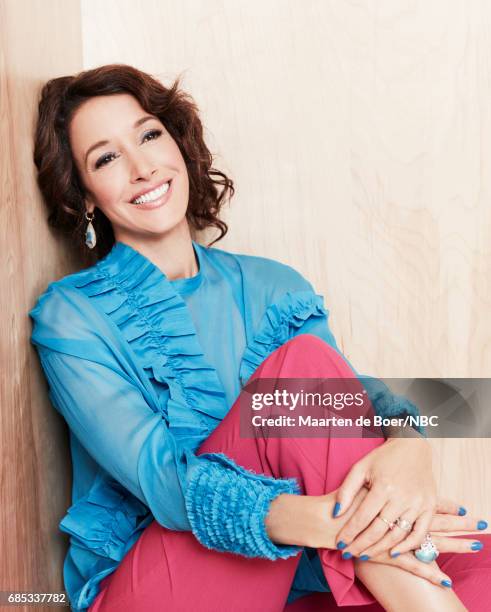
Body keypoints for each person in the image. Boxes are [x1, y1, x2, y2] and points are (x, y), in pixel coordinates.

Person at [29, 64, 490, 612]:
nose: (141, 167)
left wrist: (407, 451)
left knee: (480, 562)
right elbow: (167, 485)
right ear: (84, 196)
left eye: (149, 134)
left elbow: (345, 407)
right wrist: (330, 522)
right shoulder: (71, 315)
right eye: (105, 158)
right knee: (300, 373)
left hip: (295, 570)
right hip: (158, 580)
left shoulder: (275, 286)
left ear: (178, 142)